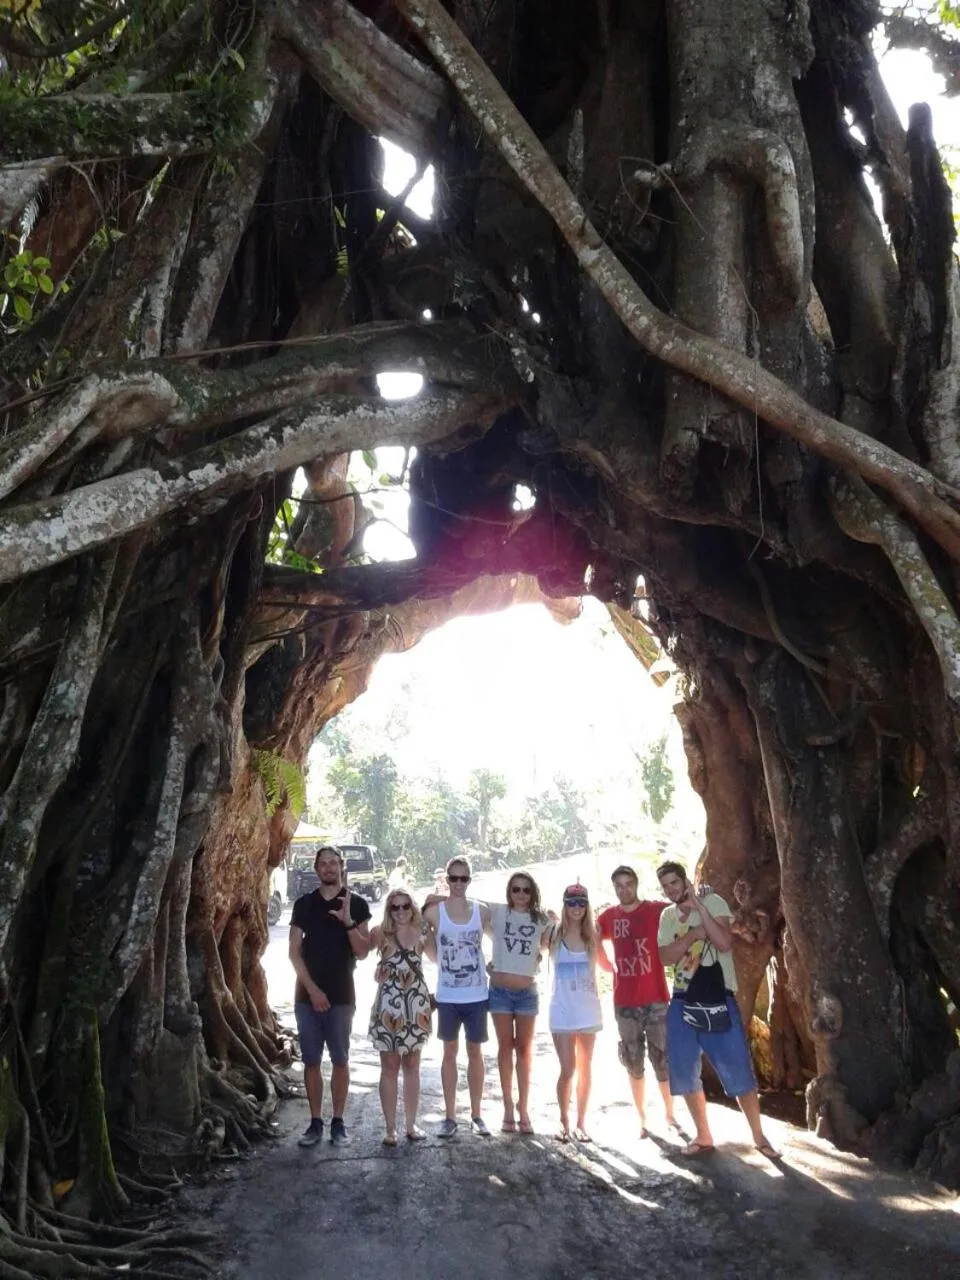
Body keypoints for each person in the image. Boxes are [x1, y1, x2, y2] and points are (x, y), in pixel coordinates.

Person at [656, 860, 780, 1159]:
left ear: (685, 880)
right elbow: (665, 957)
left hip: (718, 998)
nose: (672, 889)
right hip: (684, 999)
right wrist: (691, 936)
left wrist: (699, 907)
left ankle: (759, 1136)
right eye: (666, 885)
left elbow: (724, 942)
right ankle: (703, 1135)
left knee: (738, 1069)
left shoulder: (712, 901)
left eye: (675, 882)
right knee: (685, 1072)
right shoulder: (667, 916)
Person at [289, 845, 371, 1147]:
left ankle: (338, 1122)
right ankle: (315, 1122)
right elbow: (293, 952)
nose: (329, 868)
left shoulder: (357, 903)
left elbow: (362, 952)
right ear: (316, 869)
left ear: (341, 867)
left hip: (341, 994)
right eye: (323, 864)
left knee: (340, 1059)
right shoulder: (304, 905)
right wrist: (312, 990)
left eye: (334, 863)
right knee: (311, 1060)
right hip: (306, 995)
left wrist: (348, 920)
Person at [596, 864, 676, 1136]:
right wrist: (605, 963)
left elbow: (683, 912)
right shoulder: (609, 916)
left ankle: (670, 1113)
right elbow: (590, 933)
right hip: (625, 1002)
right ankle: (641, 1118)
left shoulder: (655, 910)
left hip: (656, 998)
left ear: (636, 883)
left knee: (662, 1058)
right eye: (618, 885)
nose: (624, 889)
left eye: (628, 883)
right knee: (633, 1060)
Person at [422, 856, 492, 1137]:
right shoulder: (435, 912)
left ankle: (476, 1114)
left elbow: (499, 936)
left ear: (470, 881)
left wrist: (495, 965)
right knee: (449, 1053)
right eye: (454, 878)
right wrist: (436, 957)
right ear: (446, 879)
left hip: (476, 994)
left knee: (475, 1052)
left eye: (464, 878)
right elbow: (413, 919)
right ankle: (450, 1116)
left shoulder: (481, 911)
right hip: (448, 994)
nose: (459, 883)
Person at [487, 872, 554, 1134]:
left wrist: (538, 956)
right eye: (516, 889)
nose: (521, 895)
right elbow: (461, 903)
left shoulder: (541, 918)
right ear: (509, 892)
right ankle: (506, 1107)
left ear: (533, 892)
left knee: (524, 1050)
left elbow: (548, 944)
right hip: (500, 993)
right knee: (505, 1047)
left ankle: (523, 1107)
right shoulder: (498, 912)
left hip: (527, 993)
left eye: (526, 890)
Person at [368, 887, 435, 1145]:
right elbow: (361, 953)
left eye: (405, 906)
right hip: (389, 1006)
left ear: (412, 907)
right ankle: (390, 1129)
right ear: (389, 910)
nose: (400, 912)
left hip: (416, 1005)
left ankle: (410, 1124)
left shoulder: (423, 933)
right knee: (389, 1067)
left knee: (412, 1066)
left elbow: (439, 958)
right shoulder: (380, 933)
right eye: (395, 907)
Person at [548, 884, 602, 1143]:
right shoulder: (552, 935)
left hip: (588, 1009)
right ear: (564, 905)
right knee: (567, 1068)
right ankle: (563, 1120)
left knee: (586, 1067)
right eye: (572, 903)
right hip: (561, 1010)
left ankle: (581, 1122)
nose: (577, 908)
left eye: (581, 903)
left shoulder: (593, 934)